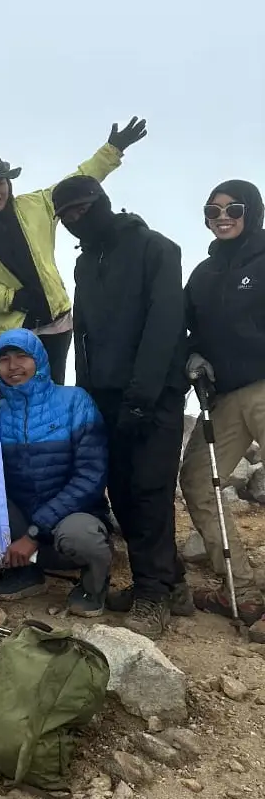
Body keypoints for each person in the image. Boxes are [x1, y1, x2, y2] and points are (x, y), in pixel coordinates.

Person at [52, 175, 188, 638]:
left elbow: (164, 325)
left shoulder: (157, 249)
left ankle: (153, 594)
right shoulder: (86, 264)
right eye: (66, 215)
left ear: (103, 202)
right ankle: (173, 584)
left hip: (153, 396)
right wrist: (86, 394)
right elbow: (84, 334)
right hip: (105, 397)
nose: (75, 220)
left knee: (150, 490)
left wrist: (142, 398)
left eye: (82, 208)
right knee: (123, 493)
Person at [0, 118, 147, 385]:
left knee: (54, 388)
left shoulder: (36, 205)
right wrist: (12, 298)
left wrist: (112, 149)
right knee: (17, 393)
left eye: (0, 183)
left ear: (9, 184)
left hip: (57, 321)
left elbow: (78, 182)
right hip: (7, 330)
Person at [178, 180, 265, 626]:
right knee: (196, 479)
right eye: (212, 211)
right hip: (226, 395)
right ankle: (242, 589)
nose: (222, 217)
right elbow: (188, 328)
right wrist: (192, 353)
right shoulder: (203, 275)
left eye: (233, 208)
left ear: (254, 210)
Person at [0, 329, 112, 617]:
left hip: (66, 526)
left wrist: (33, 533)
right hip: (23, 535)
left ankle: (94, 583)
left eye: (22, 356)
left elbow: (89, 477)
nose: (13, 366)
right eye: (4, 359)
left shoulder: (75, 401)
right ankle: (25, 574)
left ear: (39, 359)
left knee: (81, 536)